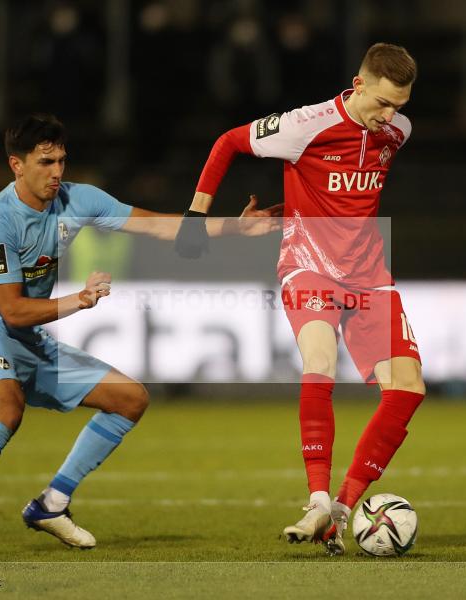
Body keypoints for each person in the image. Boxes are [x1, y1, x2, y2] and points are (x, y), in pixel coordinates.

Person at [0, 113, 281, 558]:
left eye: (62, 161)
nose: (57, 173)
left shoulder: (77, 198)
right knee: (7, 407)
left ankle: (52, 504)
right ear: (16, 165)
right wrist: (80, 300)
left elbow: (154, 224)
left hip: (28, 334)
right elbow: (10, 310)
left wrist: (233, 227)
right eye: (45, 162)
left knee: (129, 398)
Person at [176, 43, 425, 556]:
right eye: (382, 102)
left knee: (407, 388)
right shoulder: (304, 125)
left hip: (369, 275)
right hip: (308, 265)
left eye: (398, 106)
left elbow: (341, 197)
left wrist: (279, 208)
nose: (389, 116)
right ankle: (315, 499)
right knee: (320, 361)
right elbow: (227, 142)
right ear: (358, 85)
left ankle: (340, 507)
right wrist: (198, 218)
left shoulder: (396, 133)